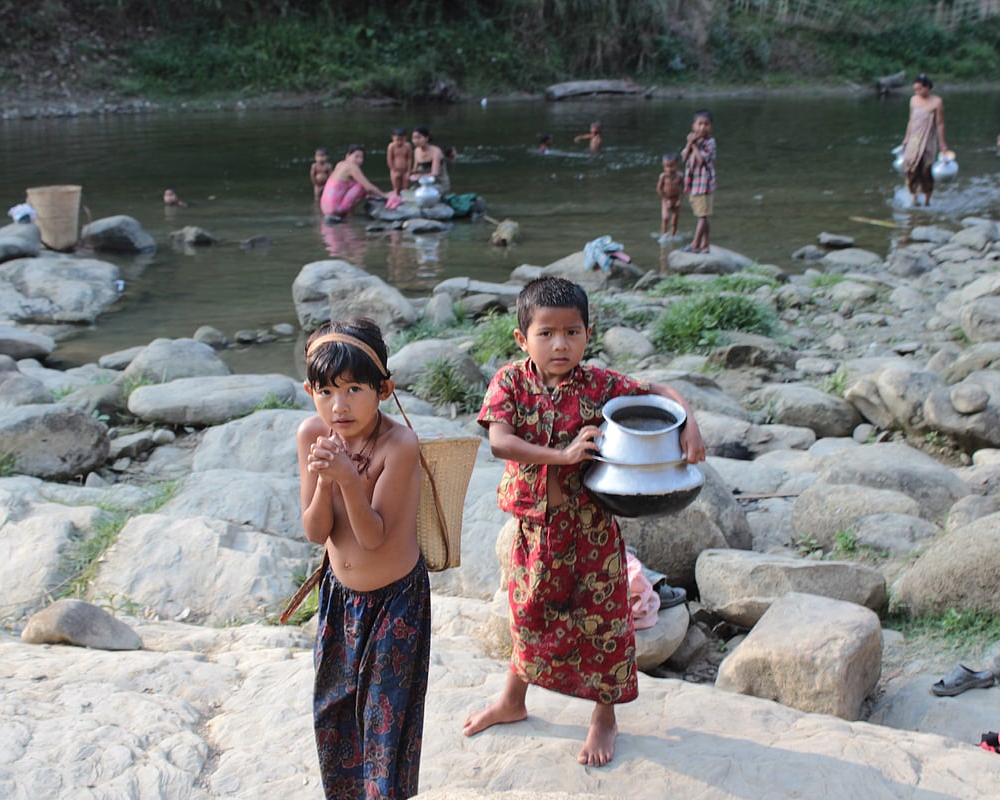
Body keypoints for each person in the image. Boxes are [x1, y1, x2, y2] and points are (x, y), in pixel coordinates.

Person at [464, 276, 705, 767]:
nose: (560, 344)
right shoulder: (510, 381)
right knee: (529, 615)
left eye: (572, 332)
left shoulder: (598, 384)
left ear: (587, 334)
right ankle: (513, 701)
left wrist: (690, 425)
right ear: (522, 338)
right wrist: (564, 453)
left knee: (606, 623)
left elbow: (658, 390)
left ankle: (605, 716)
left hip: (591, 529)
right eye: (547, 333)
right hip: (534, 530)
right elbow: (500, 442)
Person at [297, 318, 429, 800]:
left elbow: (373, 537)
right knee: (333, 710)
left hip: (395, 603)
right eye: (327, 391)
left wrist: (349, 481)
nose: (339, 405)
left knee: (383, 721)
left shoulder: (399, 445)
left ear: (384, 389)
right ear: (310, 390)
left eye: (354, 388)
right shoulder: (313, 433)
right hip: (340, 601)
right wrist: (328, 479)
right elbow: (316, 531)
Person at [900, 74, 949, 207]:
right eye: (915, 90)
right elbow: (911, 121)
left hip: (928, 140)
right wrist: (906, 138)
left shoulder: (937, 102)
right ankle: (914, 197)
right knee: (909, 168)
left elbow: (940, 124)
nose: (917, 92)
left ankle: (927, 200)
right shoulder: (913, 100)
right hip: (913, 140)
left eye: (920, 89)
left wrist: (943, 144)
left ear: (927, 87)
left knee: (926, 170)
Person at [320, 145, 390, 221]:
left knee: (356, 183)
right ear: (347, 156)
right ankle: (349, 214)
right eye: (356, 157)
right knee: (361, 186)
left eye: (361, 157)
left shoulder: (340, 164)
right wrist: (385, 196)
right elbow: (368, 187)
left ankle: (345, 212)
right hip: (335, 209)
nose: (359, 160)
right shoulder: (352, 167)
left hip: (325, 209)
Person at [681, 109, 715, 253]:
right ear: (693, 126)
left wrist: (694, 145)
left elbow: (702, 160)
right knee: (703, 215)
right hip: (694, 184)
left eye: (706, 124)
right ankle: (705, 244)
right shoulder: (694, 141)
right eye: (699, 124)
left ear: (710, 127)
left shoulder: (710, 142)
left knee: (702, 216)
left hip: (704, 185)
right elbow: (683, 157)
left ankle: (695, 244)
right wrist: (689, 144)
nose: (702, 127)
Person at [410, 125, 449, 193]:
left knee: (425, 193)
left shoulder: (436, 151)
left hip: (439, 183)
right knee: (411, 190)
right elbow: (415, 170)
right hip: (423, 183)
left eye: (419, 138)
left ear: (426, 138)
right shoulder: (416, 151)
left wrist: (419, 176)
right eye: (414, 138)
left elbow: (435, 173)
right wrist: (408, 174)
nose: (416, 141)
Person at [657, 152, 685, 241]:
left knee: (674, 220)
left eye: (671, 166)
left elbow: (684, 189)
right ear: (663, 165)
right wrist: (666, 199)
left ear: (677, 164)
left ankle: (673, 236)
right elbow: (659, 189)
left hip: (676, 200)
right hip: (666, 200)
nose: (669, 169)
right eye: (666, 166)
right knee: (665, 218)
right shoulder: (663, 176)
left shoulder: (680, 176)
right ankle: (665, 235)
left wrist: (680, 200)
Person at [386, 128, 413, 194]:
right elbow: (389, 159)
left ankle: (405, 199)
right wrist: (394, 170)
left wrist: (409, 171)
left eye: (402, 140)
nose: (399, 142)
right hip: (395, 170)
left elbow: (409, 159)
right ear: (392, 138)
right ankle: (396, 197)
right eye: (397, 140)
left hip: (405, 170)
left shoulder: (408, 146)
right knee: (396, 187)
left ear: (405, 138)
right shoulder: (391, 146)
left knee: (405, 187)